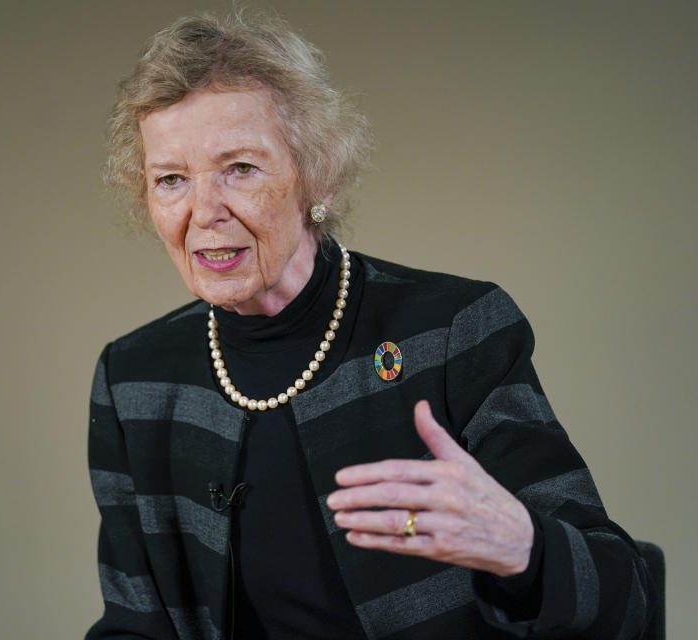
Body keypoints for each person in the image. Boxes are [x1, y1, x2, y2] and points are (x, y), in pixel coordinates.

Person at [86, 11, 650, 640]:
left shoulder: (450, 333)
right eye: (171, 179)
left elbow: (625, 600)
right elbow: (134, 626)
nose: (205, 211)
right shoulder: (135, 379)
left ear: (314, 175)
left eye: (240, 168)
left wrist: (524, 546)